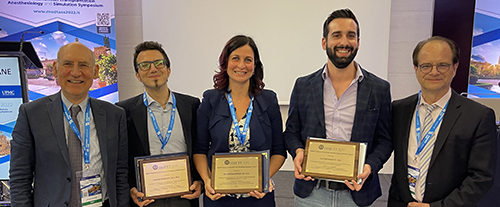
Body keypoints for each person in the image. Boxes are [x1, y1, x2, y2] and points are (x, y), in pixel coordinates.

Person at [283, 8, 392, 207]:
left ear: (358, 42)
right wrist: (299, 152)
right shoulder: (303, 85)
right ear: (324, 42)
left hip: (357, 194)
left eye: (351, 36)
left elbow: (385, 140)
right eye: (337, 35)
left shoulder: (379, 88)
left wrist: (369, 166)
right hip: (311, 194)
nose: (344, 42)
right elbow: (291, 132)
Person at [9, 42, 129, 207]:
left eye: (83, 65)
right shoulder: (31, 114)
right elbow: (20, 177)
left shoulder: (115, 115)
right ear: (55, 69)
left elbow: (120, 173)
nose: (75, 72)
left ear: (95, 71)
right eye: (68, 64)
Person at [388, 36, 497, 207]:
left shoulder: (478, 117)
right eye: (426, 66)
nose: (434, 71)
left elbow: (481, 178)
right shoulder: (399, 109)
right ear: (416, 69)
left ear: (455, 68)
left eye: (442, 65)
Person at [193, 35, 286, 207]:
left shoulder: (269, 100)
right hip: (218, 197)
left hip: (259, 197)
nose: (242, 65)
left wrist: (264, 180)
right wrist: (207, 180)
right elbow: (199, 149)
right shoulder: (210, 100)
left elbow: (279, 152)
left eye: (248, 60)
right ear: (225, 62)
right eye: (235, 58)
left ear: (255, 65)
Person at [116, 41, 202, 207]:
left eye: (158, 63)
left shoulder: (192, 105)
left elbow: (200, 148)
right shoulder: (123, 111)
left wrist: (200, 182)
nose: (153, 69)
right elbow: (120, 159)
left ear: (168, 70)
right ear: (137, 75)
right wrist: (130, 189)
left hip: (184, 198)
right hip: (147, 200)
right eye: (145, 65)